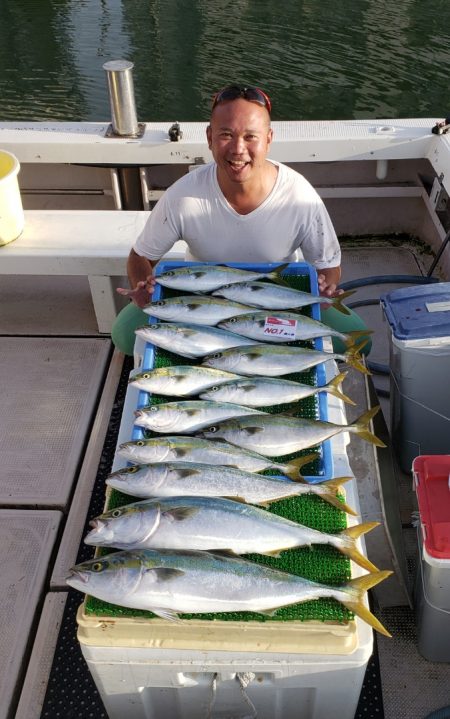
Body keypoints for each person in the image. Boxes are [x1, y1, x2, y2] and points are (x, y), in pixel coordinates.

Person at [113, 84, 370, 356]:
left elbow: (329, 266)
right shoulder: (183, 196)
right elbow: (140, 257)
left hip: (276, 297)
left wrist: (323, 292)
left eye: (251, 136)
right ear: (210, 137)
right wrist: (143, 289)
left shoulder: (300, 196)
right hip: (202, 301)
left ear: (268, 139)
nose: (238, 149)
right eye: (226, 134)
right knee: (124, 336)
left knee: (360, 342)